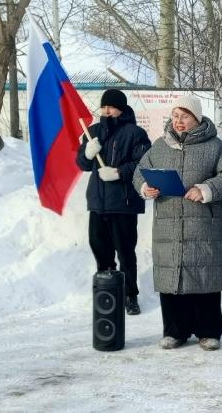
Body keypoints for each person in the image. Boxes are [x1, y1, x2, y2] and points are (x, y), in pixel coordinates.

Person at [132, 94, 222, 351]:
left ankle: (208, 331)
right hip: (169, 223)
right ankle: (175, 330)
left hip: (202, 223)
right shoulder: (160, 146)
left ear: (197, 118)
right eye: (176, 116)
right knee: (172, 277)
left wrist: (206, 189)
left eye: (185, 116)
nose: (179, 121)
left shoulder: (214, 146)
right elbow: (139, 171)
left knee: (203, 276)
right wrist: (146, 186)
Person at [77, 88, 150, 316]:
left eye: (112, 107)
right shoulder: (92, 132)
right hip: (98, 203)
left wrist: (119, 172)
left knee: (126, 252)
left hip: (124, 203)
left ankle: (130, 295)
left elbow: (142, 164)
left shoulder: (136, 133)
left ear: (122, 108)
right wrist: (87, 153)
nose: (107, 111)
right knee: (100, 249)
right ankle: (108, 292)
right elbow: (82, 164)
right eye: (104, 107)